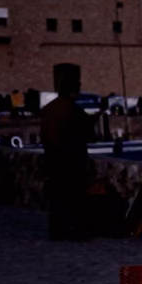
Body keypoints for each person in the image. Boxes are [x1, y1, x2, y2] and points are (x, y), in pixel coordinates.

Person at [39, 71, 94, 240]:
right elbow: (88, 135)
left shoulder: (49, 110)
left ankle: (56, 232)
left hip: (52, 160)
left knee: (57, 198)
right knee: (75, 198)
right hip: (72, 161)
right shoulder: (74, 111)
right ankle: (75, 232)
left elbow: (44, 134)